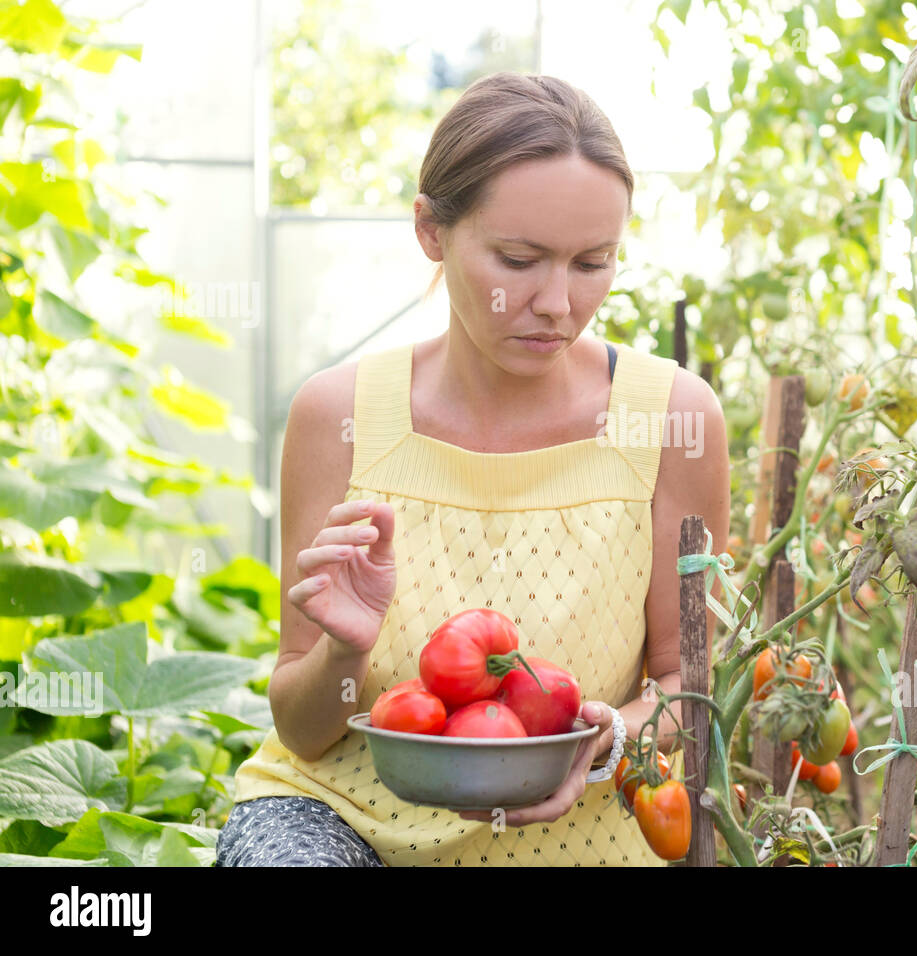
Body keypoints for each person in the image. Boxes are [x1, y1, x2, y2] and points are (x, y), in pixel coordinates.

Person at [215, 72, 731, 866]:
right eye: (518, 260)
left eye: (592, 263)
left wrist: (611, 737)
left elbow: (688, 683)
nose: (557, 302)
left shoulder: (672, 419)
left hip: (580, 833)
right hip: (339, 822)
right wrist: (342, 655)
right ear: (431, 229)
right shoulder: (339, 417)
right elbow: (303, 729)